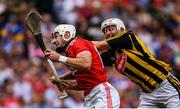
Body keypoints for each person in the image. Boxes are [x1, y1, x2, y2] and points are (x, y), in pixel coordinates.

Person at [92, 18, 180, 108]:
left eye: (111, 29)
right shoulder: (111, 54)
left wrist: (78, 45)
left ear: (121, 29)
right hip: (147, 94)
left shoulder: (128, 37)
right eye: (105, 31)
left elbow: (98, 45)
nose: (108, 33)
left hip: (165, 86)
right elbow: (90, 60)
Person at [44, 24, 120, 108]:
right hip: (90, 97)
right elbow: (84, 83)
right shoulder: (70, 53)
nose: (53, 41)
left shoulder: (78, 43)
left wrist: (59, 58)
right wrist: (65, 82)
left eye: (56, 36)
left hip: (102, 94)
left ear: (66, 35)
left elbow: (86, 64)